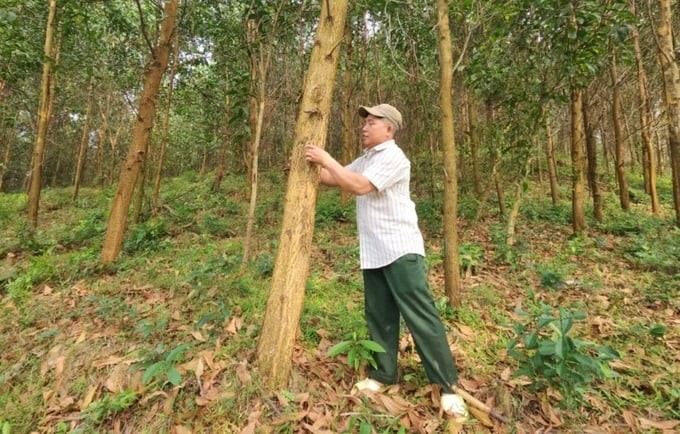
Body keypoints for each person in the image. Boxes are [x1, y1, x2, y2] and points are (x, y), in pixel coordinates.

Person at [304, 103, 468, 421]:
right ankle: (383, 375)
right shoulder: (367, 159)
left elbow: (359, 186)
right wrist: (306, 165)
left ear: (389, 129)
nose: (364, 127)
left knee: (421, 316)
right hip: (374, 251)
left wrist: (326, 157)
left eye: (372, 122)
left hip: (401, 250)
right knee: (379, 315)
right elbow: (335, 177)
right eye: (364, 122)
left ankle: (448, 387)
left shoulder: (394, 157)